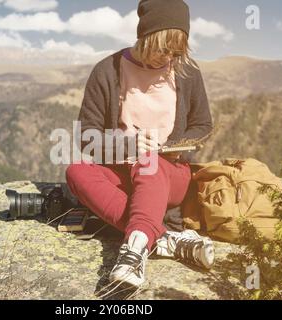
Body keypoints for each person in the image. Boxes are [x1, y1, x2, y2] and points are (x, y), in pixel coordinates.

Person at [65, 0, 213, 288]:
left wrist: (172, 146)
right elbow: (86, 136)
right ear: (144, 36)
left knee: (149, 164)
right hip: (122, 172)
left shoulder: (187, 72)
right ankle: (163, 239)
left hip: (169, 174)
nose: (167, 57)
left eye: (176, 51)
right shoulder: (107, 70)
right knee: (77, 171)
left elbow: (203, 125)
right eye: (162, 48)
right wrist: (128, 145)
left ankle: (133, 253)